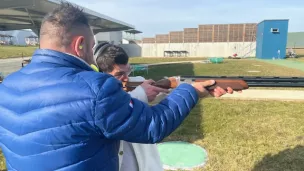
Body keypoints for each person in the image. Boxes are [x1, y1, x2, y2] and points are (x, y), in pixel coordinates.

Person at [0, 2, 234, 171]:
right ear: (80, 44)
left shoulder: (7, 86)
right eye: (92, 47)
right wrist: (190, 90)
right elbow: (153, 126)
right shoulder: (95, 88)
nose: (92, 58)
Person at [92, 42, 165, 171]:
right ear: (100, 73)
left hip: (147, 163)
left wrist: (176, 87)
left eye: (128, 71)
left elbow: (158, 96)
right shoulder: (98, 97)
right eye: (119, 74)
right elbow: (115, 110)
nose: (126, 78)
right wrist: (141, 94)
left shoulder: (137, 82)